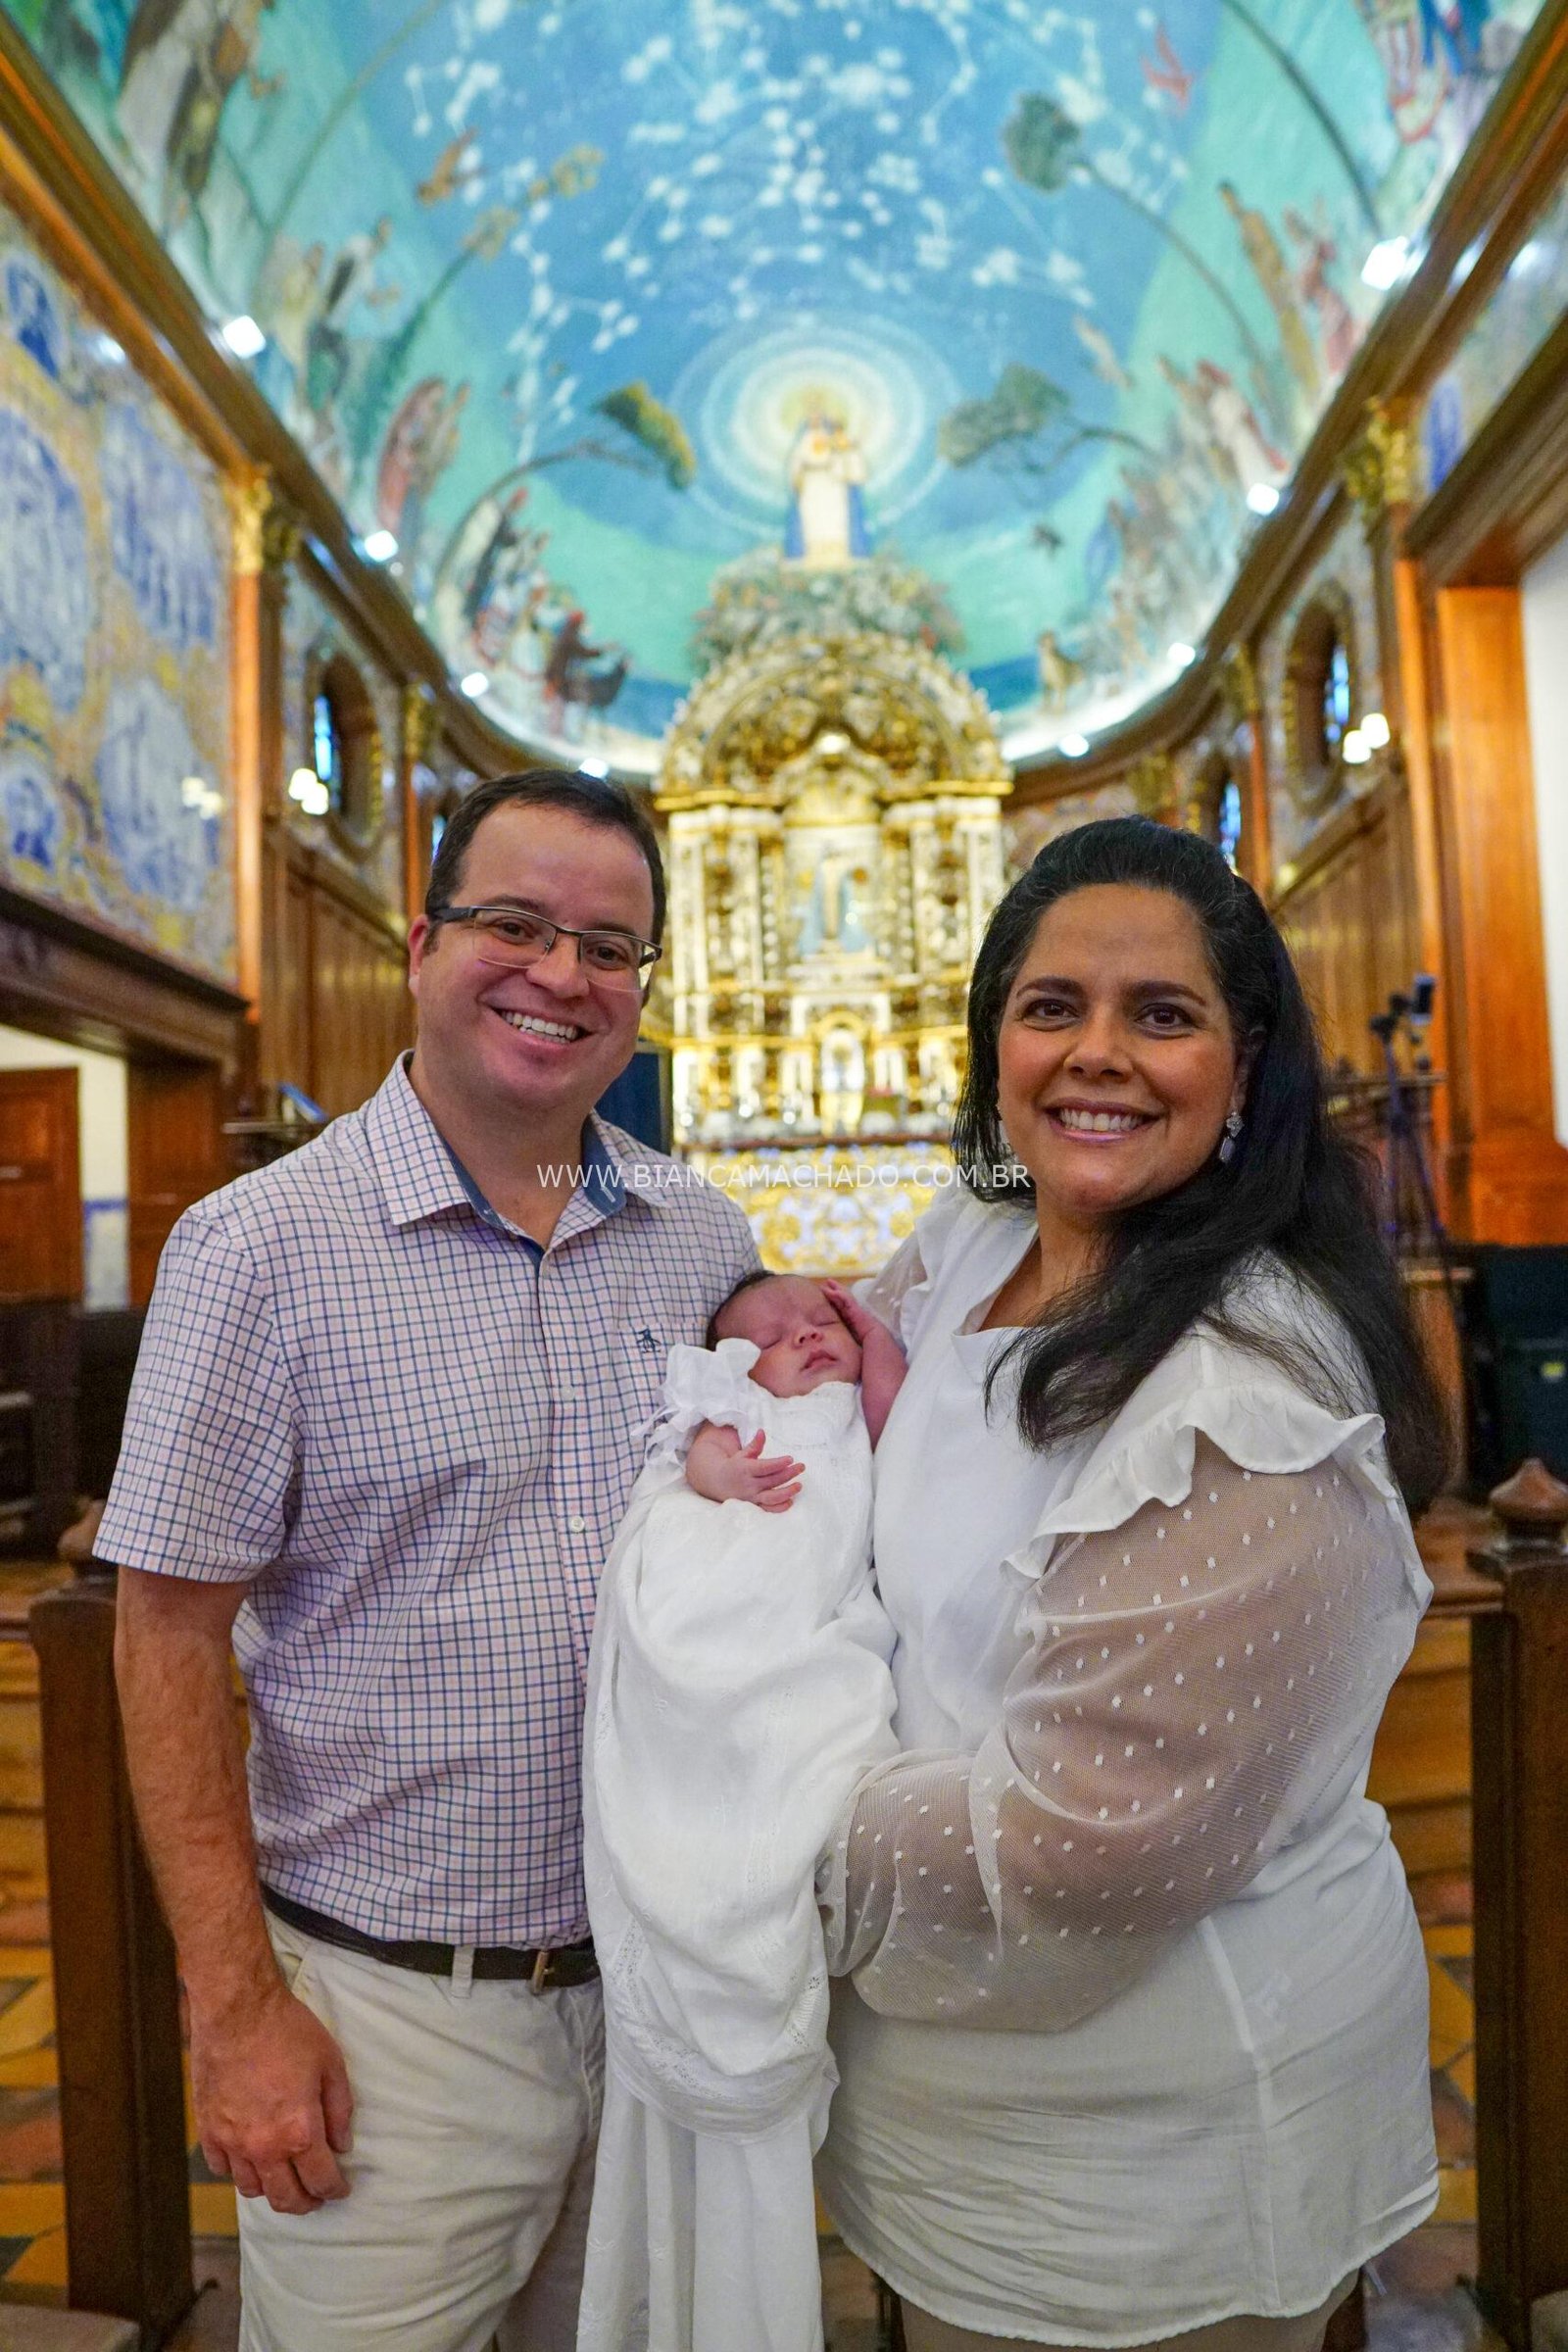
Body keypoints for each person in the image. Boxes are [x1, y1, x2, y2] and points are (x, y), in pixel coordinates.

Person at [100, 770, 760, 2352]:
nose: (562, 975)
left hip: (663, 2001)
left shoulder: (703, 1242)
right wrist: (236, 2010)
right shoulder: (258, 1246)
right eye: (516, 925)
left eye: (611, 948)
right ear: (419, 942)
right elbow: (166, 1634)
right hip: (392, 2022)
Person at [816, 816, 1449, 2351]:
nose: (1097, 1054)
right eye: (1052, 1009)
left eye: (1160, 1016)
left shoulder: (1242, 1408)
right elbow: (842, 1385)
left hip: (1150, 2171)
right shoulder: (975, 1245)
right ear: (993, 1046)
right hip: (939, 2132)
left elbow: (1071, 1850)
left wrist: (740, 1798)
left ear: (1246, 1072)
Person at [577, 1272, 904, 2351]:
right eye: (768, 1336)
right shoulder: (736, 1413)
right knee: (701, 1660)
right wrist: (713, 1469)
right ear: (730, 1365)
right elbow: (684, 1472)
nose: (802, 1337)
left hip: (811, 1608)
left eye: (819, 1322)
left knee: (811, 1701)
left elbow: (875, 1527)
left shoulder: (873, 1417)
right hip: (721, 1594)